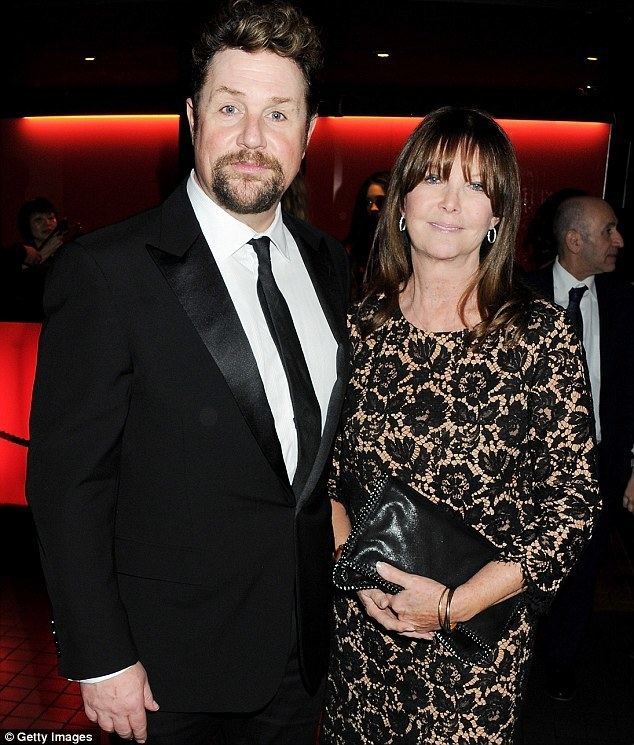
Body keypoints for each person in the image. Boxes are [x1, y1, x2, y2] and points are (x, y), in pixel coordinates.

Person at [26, 2, 349, 744]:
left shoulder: (328, 261)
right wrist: (99, 655)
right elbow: (68, 482)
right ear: (191, 115)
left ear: (307, 132)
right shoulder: (106, 271)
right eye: (229, 107)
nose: (251, 138)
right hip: (168, 672)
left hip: (299, 655)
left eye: (278, 113)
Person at [322, 106, 600, 743]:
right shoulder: (362, 328)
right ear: (401, 199)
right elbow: (329, 481)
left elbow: (571, 510)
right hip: (365, 639)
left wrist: (452, 606)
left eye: (476, 186)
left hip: (474, 656)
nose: (451, 202)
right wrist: (360, 580)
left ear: (499, 213)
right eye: (434, 178)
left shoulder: (540, 338)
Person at [525, 195, 634, 701]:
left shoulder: (622, 302)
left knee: (584, 570)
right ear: (574, 240)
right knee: (526, 568)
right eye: (609, 231)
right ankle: (518, 660)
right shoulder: (518, 295)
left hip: (600, 465)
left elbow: (628, 391)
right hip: (530, 469)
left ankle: (562, 663)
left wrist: (630, 465)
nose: (620, 242)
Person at [1, 197, 67, 320]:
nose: (47, 223)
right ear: (27, 226)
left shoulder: (67, 254)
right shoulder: (18, 254)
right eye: (38, 220)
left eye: (51, 218)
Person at [345, 170, 390, 298]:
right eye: (369, 202)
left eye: (380, 201)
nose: (373, 208)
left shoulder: (404, 246)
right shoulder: (355, 247)